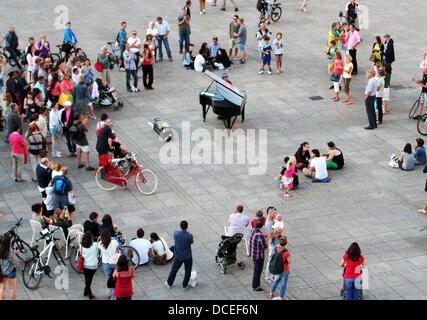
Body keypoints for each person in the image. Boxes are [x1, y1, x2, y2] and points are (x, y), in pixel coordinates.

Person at [165, 220, 193, 289]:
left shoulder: (176, 233)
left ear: (180, 226)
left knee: (174, 269)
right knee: (188, 271)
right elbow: (191, 243)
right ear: (187, 227)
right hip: (187, 256)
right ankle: (185, 285)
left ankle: (169, 283)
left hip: (178, 255)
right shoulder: (189, 236)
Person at [98, 229, 119, 300]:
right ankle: (114, 296)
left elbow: (101, 252)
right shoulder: (114, 242)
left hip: (106, 262)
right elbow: (117, 251)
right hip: (114, 261)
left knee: (110, 280)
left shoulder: (100, 244)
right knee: (116, 279)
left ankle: (111, 294)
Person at [264, 207, 282, 283]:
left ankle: (273, 275)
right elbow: (272, 236)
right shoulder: (268, 223)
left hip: (276, 243)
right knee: (271, 260)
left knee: (276, 260)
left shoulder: (272, 220)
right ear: (270, 213)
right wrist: (280, 231)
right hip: (273, 244)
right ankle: (268, 277)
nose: (275, 214)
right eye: (274, 213)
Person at [249, 219, 268, 292]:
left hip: (253, 254)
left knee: (256, 270)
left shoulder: (253, 230)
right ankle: (255, 287)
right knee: (257, 271)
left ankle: (256, 284)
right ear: (262, 226)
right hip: (259, 256)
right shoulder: (260, 235)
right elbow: (265, 246)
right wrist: (268, 239)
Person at [81, 231, 97, 299]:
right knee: (89, 280)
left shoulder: (81, 246)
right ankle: (90, 294)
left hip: (85, 265)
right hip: (93, 266)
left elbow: (81, 254)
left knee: (87, 280)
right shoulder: (95, 245)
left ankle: (86, 291)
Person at [0, 235, 17, 300]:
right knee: (12, 288)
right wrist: (15, 254)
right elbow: (14, 262)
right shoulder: (9, 252)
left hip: (3, 271)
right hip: (11, 271)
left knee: (3, 288)